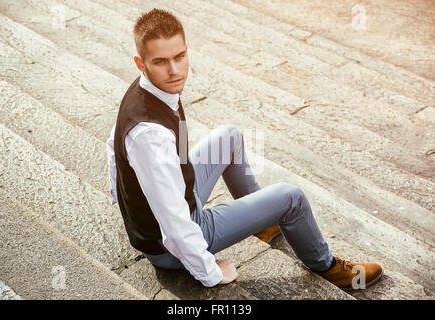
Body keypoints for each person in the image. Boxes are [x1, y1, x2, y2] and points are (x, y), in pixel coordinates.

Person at [106, 8, 383, 289]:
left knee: (230, 136)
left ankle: (262, 223)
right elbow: (175, 225)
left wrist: (130, 205)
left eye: (180, 56)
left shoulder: (147, 90)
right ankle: (327, 266)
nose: (175, 70)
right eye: (161, 61)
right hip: (172, 244)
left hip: (176, 200)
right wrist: (209, 271)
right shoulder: (150, 134)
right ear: (140, 63)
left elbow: (112, 147)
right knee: (291, 197)